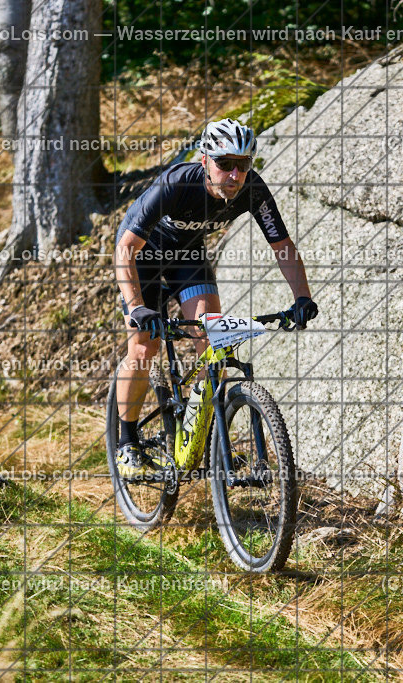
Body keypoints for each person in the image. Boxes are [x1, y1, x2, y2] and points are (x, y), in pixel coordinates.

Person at [113, 118, 318, 478]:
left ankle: (202, 440)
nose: (235, 174)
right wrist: (136, 307)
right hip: (142, 256)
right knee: (144, 346)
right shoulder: (178, 183)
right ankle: (126, 442)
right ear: (205, 160)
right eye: (225, 163)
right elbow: (126, 248)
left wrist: (302, 297)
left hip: (187, 258)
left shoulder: (252, 189)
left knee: (212, 339)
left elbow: (282, 247)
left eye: (243, 164)